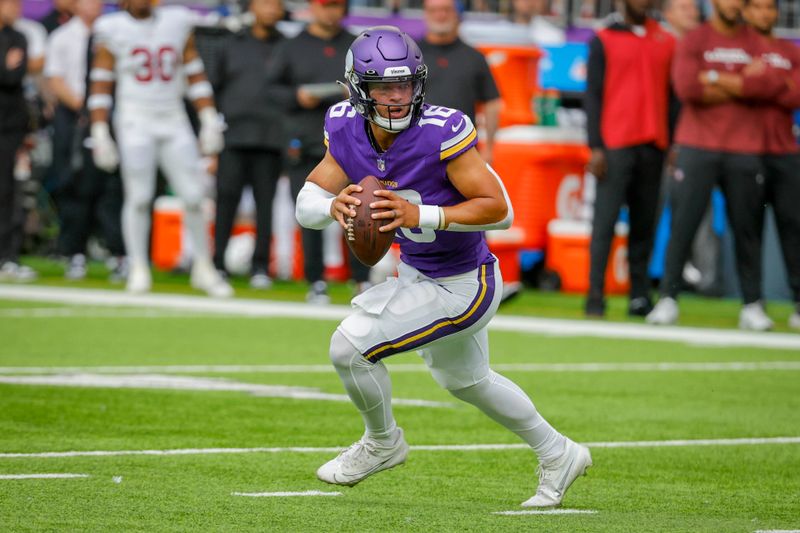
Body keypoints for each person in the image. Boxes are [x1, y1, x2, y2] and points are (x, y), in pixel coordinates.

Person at [296, 26, 591, 508]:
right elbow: (308, 198)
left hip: (464, 284)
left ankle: (383, 442)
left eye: (405, 85)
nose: (396, 98)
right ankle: (559, 452)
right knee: (468, 382)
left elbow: (501, 209)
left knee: (348, 348)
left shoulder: (441, 129)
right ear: (356, 89)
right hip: (418, 273)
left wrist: (422, 214)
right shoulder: (345, 124)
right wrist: (333, 208)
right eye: (383, 87)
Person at [646, 0, 785, 330]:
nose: (733, 3)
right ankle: (667, 300)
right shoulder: (696, 38)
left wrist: (714, 77)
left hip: (744, 147)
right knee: (683, 224)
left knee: (747, 228)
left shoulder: (755, 41)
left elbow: (768, 85)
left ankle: (752, 305)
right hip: (697, 145)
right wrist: (739, 81)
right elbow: (688, 87)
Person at [88, 0, 233, 297]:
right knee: (139, 196)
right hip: (134, 119)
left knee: (194, 195)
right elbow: (101, 81)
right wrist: (99, 130)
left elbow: (193, 71)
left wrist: (208, 118)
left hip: (173, 117)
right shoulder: (111, 28)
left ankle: (203, 267)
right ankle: (138, 265)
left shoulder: (176, 21)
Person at [267, 0, 370, 304]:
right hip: (306, 140)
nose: (331, 11)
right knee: (311, 209)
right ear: (313, 7)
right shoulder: (292, 46)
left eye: (337, 5)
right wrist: (297, 96)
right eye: (326, 5)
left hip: (351, 143)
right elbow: (271, 89)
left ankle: (361, 279)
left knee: (358, 212)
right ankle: (316, 279)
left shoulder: (357, 45)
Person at [583, 0, 676, 317]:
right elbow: (592, 95)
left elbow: (674, 98)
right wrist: (594, 146)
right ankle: (595, 294)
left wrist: (673, 143)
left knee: (644, 225)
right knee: (604, 223)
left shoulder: (667, 40)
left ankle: (639, 295)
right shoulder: (603, 39)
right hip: (614, 145)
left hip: (654, 144)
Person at [46, 0, 125, 281]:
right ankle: (74, 253)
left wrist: (102, 111)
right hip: (75, 121)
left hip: (111, 117)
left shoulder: (115, 32)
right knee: (75, 185)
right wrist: (85, 108)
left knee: (113, 187)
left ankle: (117, 253)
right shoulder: (62, 36)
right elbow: (54, 79)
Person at [211, 0, 286, 289]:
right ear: (252, 7)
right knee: (225, 199)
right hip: (233, 136)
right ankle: (217, 264)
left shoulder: (287, 46)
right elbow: (213, 89)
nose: (270, 8)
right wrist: (211, 134)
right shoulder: (231, 44)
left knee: (265, 205)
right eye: (264, 3)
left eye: (275, 4)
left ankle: (260, 266)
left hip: (270, 138)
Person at [743, 0, 800, 329]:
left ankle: (798, 300)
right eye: (758, 7)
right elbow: (735, 88)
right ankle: (752, 303)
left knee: (793, 228)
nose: (765, 14)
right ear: (746, 11)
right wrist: (779, 81)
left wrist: (758, 80)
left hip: (784, 151)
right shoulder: (737, 48)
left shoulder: (789, 51)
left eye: (769, 7)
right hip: (746, 150)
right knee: (749, 230)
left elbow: (796, 95)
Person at [418, 0, 501, 164]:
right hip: (418, 151)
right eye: (434, 10)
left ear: (457, 13)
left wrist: (489, 148)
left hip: (463, 151)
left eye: (446, 10)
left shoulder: (475, 57)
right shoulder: (411, 55)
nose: (440, 15)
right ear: (425, 14)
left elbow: (492, 102)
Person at [0, 0, 35, 281]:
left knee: (8, 191)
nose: (17, 7)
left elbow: (14, 76)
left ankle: (7, 257)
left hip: (10, 126)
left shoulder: (19, 37)